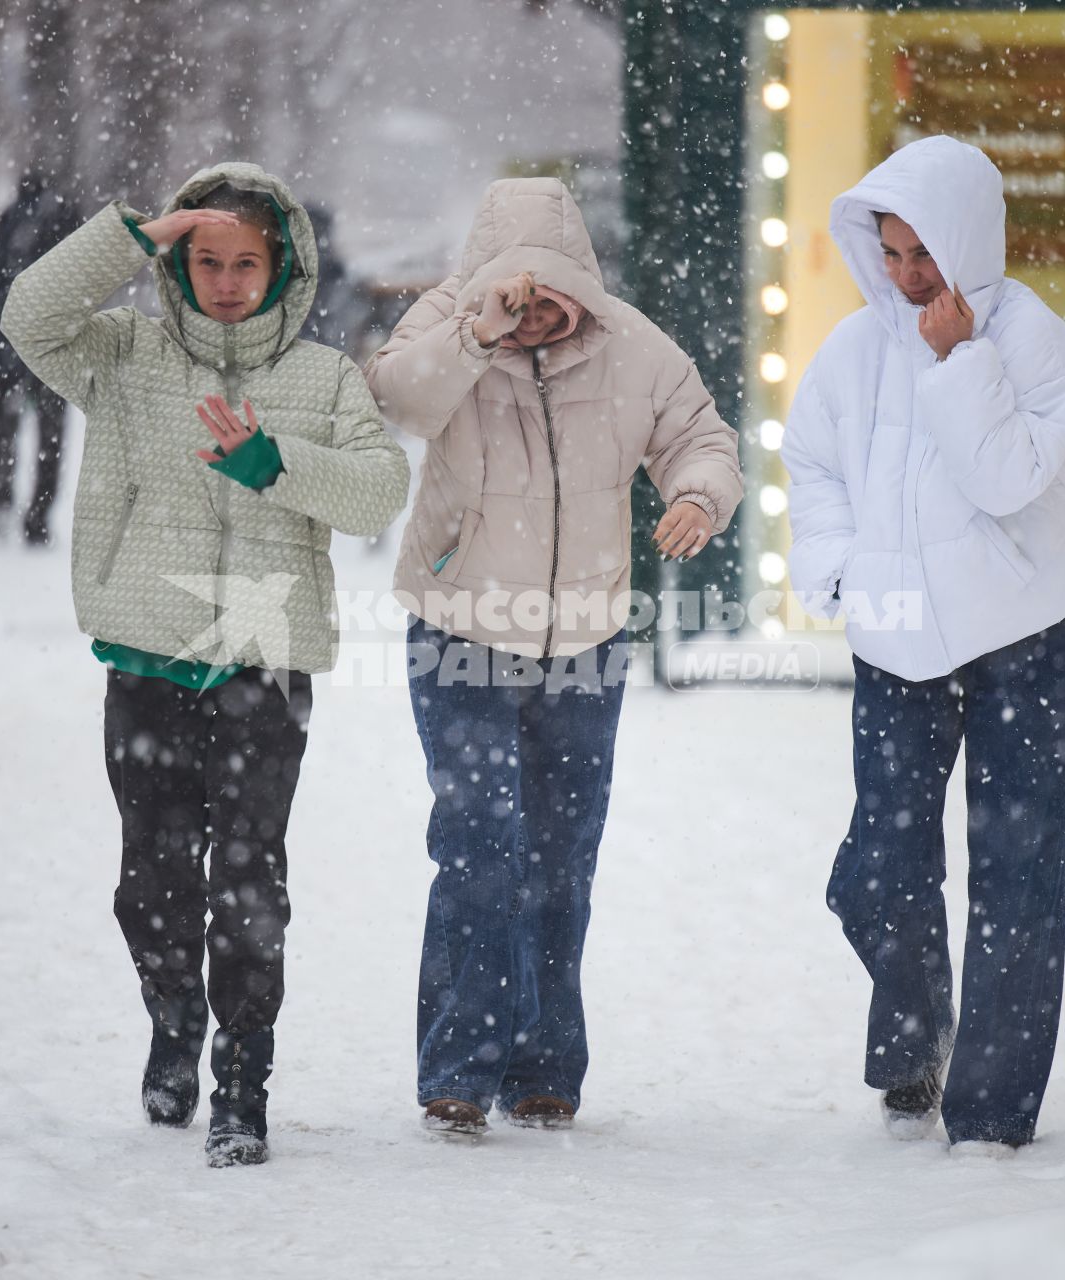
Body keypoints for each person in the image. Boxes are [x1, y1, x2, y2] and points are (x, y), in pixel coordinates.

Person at [1, 162, 409, 1168]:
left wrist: (276, 463)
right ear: (181, 266)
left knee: (247, 879)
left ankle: (242, 1078)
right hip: (148, 658)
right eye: (208, 260)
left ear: (283, 268)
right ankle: (175, 1017)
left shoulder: (324, 377)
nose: (227, 280)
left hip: (262, 671)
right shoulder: (125, 352)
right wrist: (131, 237)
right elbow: (28, 317)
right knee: (150, 882)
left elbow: (376, 492)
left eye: (246, 262)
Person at [366, 177, 742, 1137]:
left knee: (560, 858)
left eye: (549, 302)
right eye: (516, 300)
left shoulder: (634, 347)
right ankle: (457, 1066)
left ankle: (544, 1067)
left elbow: (702, 434)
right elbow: (396, 401)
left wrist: (697, 493)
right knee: (480, 847)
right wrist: (475, 332)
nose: (533, 319)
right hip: (459, 629)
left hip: (583, 645)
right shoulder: (446, 327)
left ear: (582, 285)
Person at [782, 135, 1065, 1153]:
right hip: (898, 638)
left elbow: (1010, 480)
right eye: (894, 251)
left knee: (1017, 870)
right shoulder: (855, 346)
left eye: (926, 251)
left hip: (1021, 639)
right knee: (881, 864)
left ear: (967, 238)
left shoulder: (1034, 339)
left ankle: (994, 1112)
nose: (911, 275)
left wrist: (964, 362)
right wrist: (837, 566)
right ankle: (916, 1041)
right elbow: (815, 462)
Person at [0, 170, 77, 544]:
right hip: (51, 345)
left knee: (4, 432)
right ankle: (38, 518)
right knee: (50, 435)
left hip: (5, 344)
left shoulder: (2, 225)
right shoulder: (64, 220)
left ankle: (1, 505)